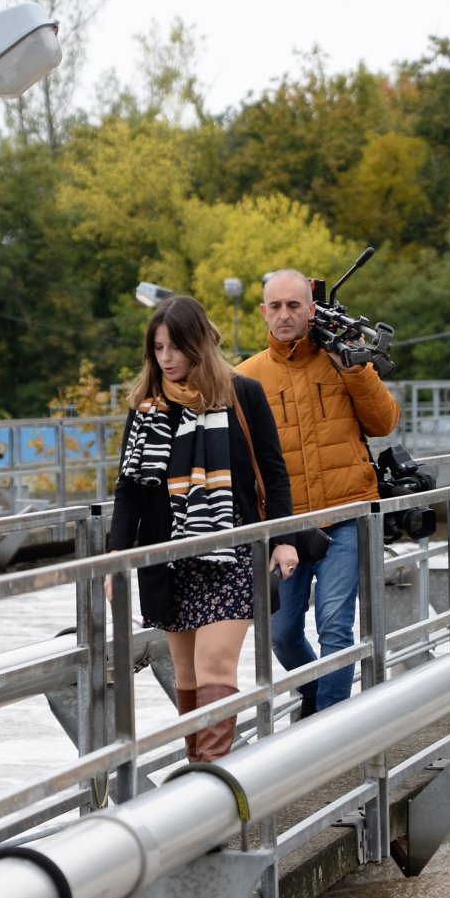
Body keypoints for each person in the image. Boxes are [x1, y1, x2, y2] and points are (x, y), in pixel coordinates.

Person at [108, 295, 298, 762]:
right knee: (187, 673)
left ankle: (212, 784)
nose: (167, 359)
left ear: (199, 345)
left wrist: (284, 538)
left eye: (175, 347)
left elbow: (273, 473)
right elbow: (129, 491)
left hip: (230, 549)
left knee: (216, 663)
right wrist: (115, 561)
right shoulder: (146, 409)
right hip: (169, 555)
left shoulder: (242, 394)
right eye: (158, 348)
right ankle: (198, 775)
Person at [237, 270, 400, 718]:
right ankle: (316, 699)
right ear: (263, 312)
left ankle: (330, 729)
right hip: (286, 526)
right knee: (283, 634)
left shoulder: (344, 359)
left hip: (345, 514)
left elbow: (384, 423)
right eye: (276, 306)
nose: (285, 314)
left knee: (335, 627)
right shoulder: (245, 377)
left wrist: (357, 373)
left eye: (294, 305)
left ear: (312, 309)